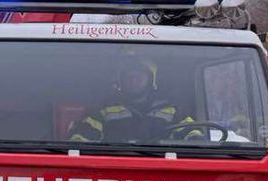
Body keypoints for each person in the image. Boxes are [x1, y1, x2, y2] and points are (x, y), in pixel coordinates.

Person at [68, 55, 202, 143]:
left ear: (151, 80)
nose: (133, 81)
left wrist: (196, 140)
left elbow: (192, 133)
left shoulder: (170, 109)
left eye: (139, 77)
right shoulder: (104, 109)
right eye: (129, 77)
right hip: (115, 168)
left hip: (161, 169)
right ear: (121, 80)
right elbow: (81, 138)